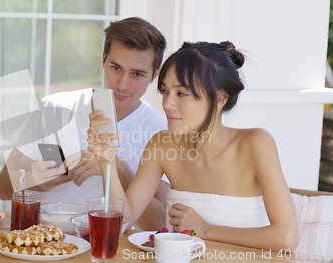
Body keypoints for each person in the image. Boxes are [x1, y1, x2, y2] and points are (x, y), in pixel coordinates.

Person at [87, 41, 299, 250]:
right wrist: (106, 160)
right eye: (165, 91)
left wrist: (207, 230)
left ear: (220, 97)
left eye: (181, 94)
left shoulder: (256, 143)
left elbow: (286, 238)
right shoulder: (162, 145)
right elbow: (123, 221)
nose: (167, 104)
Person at [0, 17, 169, 230]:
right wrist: (34, 180)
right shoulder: (54, 107)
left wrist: (117, 168)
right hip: (46, 241)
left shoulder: (161, 131)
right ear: (103, 59)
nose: (123, 84)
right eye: (116, 68)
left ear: (155, 75)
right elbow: (2, 187)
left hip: (112, 246)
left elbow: (160, 223)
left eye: (137, 74)